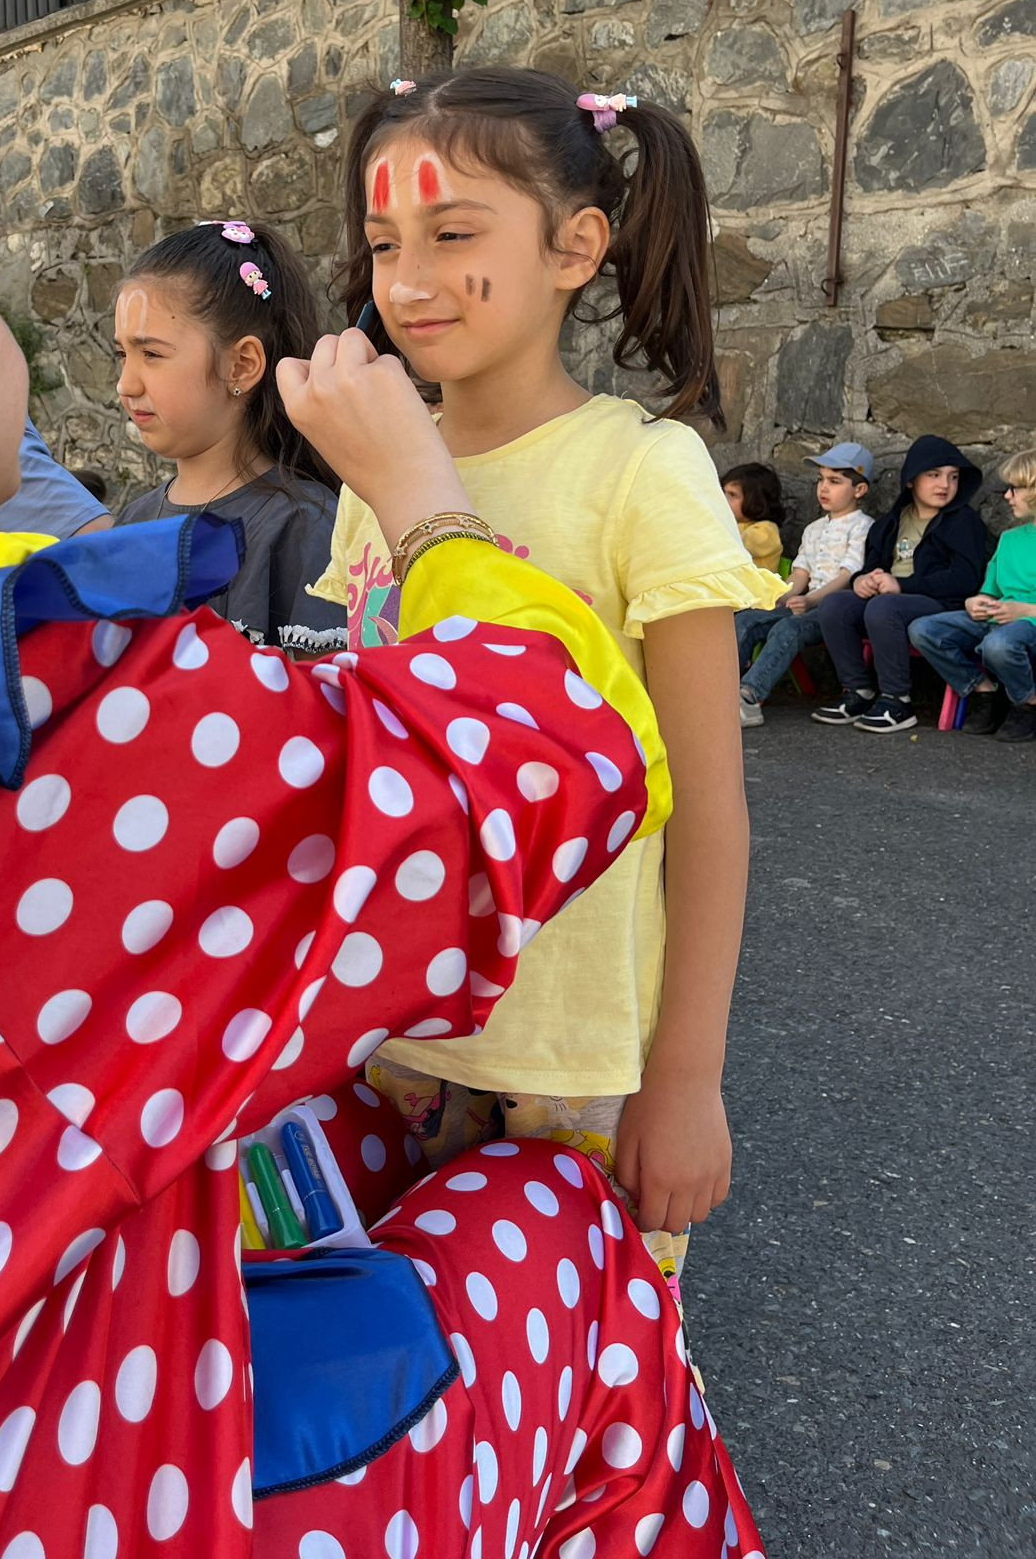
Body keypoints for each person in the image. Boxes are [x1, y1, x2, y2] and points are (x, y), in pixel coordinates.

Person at [0, 92, 767, 1558]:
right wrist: (425, 500)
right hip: (8, 1497)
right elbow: (554, 752)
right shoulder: (21, 712)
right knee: (574, 1232)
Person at [313, 67, 779, 1297]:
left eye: (453, 234)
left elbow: (708, 810)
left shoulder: (640, 470)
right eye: (383, 242)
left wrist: (687, 1076)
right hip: (389, 1034)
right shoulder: (375, 475)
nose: (406, 279)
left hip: (575, 1053)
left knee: (583, 1362)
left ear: (576, 247)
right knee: (397, 1371)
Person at [113, 219, 347, 655]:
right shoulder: (131, 523)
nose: (125, 384)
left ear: (241, 365)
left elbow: (321, 691)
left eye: (151, 354)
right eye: (122, 354)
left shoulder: (303, 527)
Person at [812, 433, 986, 733]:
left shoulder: (962, 522)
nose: (945, 485)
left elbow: (965, 578)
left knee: (884, 607)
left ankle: (897, 700)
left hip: (939, 604)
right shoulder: (891, 522)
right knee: (835, 605)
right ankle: (858, 691)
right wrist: (862, 580)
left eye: (953, 477)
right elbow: (871, 566)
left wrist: (903, 586)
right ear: (911, 480)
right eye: (933, 475)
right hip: (890, 598)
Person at [736, 444, 874, 728]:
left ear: (859, 490)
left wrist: (811, 601)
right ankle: (723, 688)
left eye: (834, 481)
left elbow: (848, 575)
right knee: (747, 620)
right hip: (806, 605)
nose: (824, 488)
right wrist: (778, 597)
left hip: (836, 611)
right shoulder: (813, 529)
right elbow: (800, 574)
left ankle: (748, 698)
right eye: (821, 480)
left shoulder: (863, 527)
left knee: (789, 628)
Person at [909, 447, 1036, 743]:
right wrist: (974, 602)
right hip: (997, 619)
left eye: (1014, 489)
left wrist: (1025, 611)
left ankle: (1028, 702)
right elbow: (990, 591)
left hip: (1027, 625)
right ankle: (983, 690)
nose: (1007, 496)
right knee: (923, 629)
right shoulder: (1010, 539)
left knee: (998, 645)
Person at [721, 461, 785, 575]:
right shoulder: (734, 524)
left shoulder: (766, 531)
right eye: (723, 493)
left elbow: (732, 543)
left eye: (732, 495)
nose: (723, 499)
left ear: (756, 501)